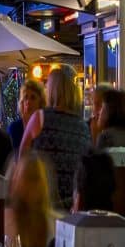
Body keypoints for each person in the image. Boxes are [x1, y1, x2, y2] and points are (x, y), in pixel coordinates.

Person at [21, 64, 90, 207]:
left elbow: (22, 158)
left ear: (51, 90)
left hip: (42, 204)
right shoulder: (83, 127)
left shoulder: (40, 118)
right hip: (71, 206)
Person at [8, 77, 44, 150]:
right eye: (25, 97)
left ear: (40, 102)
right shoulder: (14, 128)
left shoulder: (45, 128)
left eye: (33, 98)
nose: (28, 102)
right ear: (22, 102)